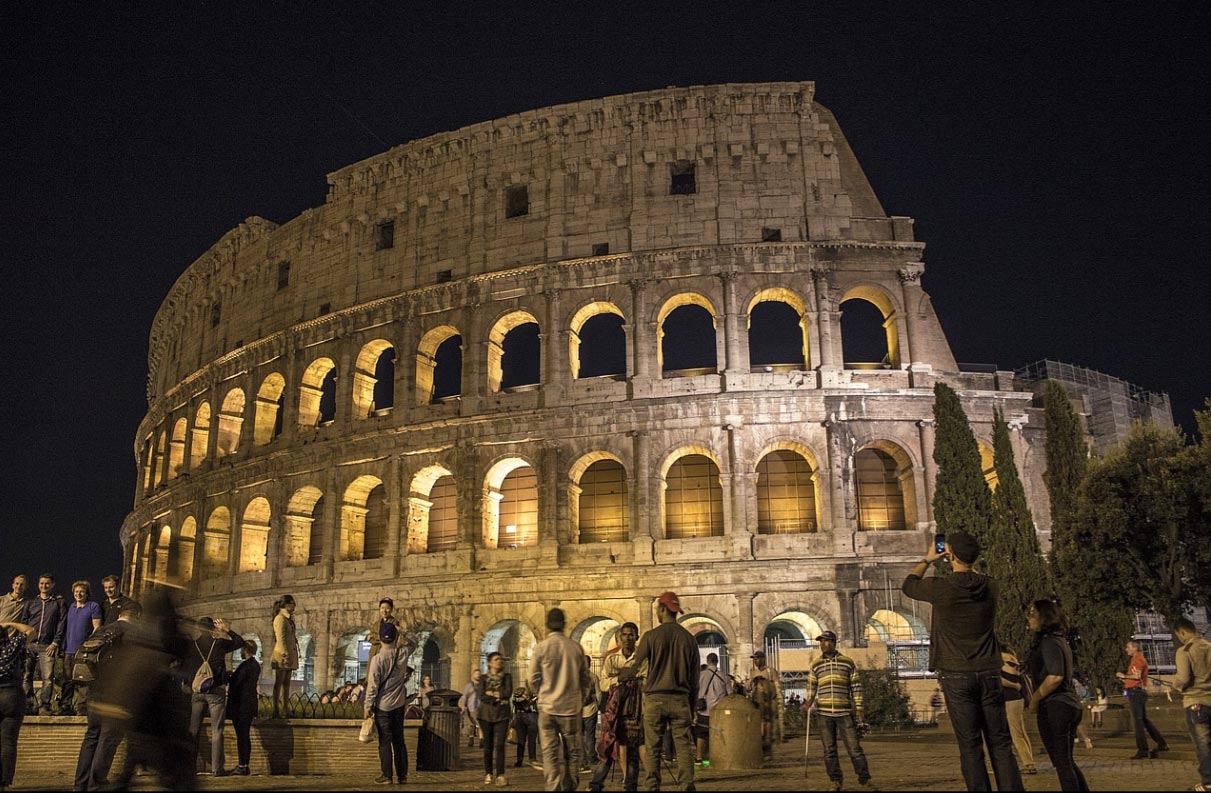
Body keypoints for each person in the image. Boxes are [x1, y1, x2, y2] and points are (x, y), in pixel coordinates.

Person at [901, 533, 1023, 791]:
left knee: (970, 745)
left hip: (955, 673)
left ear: (950, 555)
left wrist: (928, 558)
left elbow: (909, 585)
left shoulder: (941, 588)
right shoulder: (991, 586)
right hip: (989, 671)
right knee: (1000, 743)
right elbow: (973, 576)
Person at [620, 592, 698, 793]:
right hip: (680, 699)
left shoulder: (650, 637)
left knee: (653, 748)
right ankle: (686, 786)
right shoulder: (689, 639)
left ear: (662, 609)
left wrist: (623, 675)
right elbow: (694, 680)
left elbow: (635, 668)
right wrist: (691, 705)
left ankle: (653, 787)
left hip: (655, 699)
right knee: (683, 748)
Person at [72, 602, 140, 791]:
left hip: (94, 691)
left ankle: (80, 784)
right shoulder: (133, 633)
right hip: (116, 694)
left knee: (92, 736)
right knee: (108, 739)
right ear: (137, 615)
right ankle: (96, 784)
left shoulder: (102, 630)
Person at [1024, 599, 1088, 791]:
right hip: (1067, 705)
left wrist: (1035, 699)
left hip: (1056, 706)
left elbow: (1055, 676)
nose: (1029, 618)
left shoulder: (1049, 642)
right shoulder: (1059, 640)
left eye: (1033, 613)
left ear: (1044, 617)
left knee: (1062, 762)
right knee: (1064, 761)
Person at [529, 607, 592, 792]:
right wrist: (581, 697)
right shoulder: (575, 648)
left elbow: (532, 678)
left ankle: (552, 787)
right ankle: (570, 787)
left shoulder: (541, 648)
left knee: (549, 754)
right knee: (572, 754)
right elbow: (585, 678)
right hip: (571, 708)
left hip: (547, 708)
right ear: (564, 625)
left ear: (547, 625)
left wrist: (540, 694)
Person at [805, 630, 873, 791]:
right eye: (821, 642)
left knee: (854, 749)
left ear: (834, 643)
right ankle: (835, 781)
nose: (822, 644)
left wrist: (860, 708)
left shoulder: (847, 662)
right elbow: (811, 686)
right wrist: (809, 701)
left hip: (844, 713)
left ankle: (865, 780)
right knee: (829, 750)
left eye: (826, 641)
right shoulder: (815, 664)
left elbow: (856, 687)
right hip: (824, 713)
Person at [184, 615, 243, 777]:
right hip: (215, 691)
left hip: (197, 691)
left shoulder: (193, 645)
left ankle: (189, 766)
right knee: (217, 731)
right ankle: (217, 769)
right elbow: (240, 642)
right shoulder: (219, 643)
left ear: (198, 629)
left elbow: (187, 667)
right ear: (212, 629)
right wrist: (226, 630)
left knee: (193, 730)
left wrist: (188, 683)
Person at [590, 622, 643, 793]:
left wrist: (630, 678)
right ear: (619, 637)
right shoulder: (611, 659)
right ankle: (596, 784)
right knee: (609, 748)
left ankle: (630, 785)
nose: (628, 638)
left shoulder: (642, 658)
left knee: (632, 750)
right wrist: (620, 679)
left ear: (637, 637)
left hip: (635, 710)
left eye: (631, 635)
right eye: (625, 635)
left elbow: (646, 680)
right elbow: (605, 684)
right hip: (615, 710)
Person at [364, 621, 414, 785]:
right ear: (395, 637)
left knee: (385, 741)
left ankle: (387, 775)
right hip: (399, 704)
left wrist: (367, 706)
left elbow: (372, 686)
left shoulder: (377, 659)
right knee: (399, 740)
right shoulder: (403, 653)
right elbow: (414, 643)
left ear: (380, 638)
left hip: (382, 706)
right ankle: (402, 775)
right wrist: (403, 632)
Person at [1171, 616, 1211, 791]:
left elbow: (1184, 678)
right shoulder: (1209, 647)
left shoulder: (1185, 651)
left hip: (1196, 702)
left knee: (1203, 745)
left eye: (1179, 635)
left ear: (1182, 632)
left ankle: (1208, 783)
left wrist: (1173, 687)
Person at [1118, 638, 1169, 759]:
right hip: (1137, 691)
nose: (1126, 650)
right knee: (1144, 720)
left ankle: (1143, 749)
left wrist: (1124, 676)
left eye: (1128, 647)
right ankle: (1161, 743)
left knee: (1138, 721)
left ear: (1135, 648)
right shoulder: (1136, 659)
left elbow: (1136, 676)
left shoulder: (1137, 659)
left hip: (1136, 692)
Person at [0, 619, 35, 790]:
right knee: (8, 741)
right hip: (12, 694)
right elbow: (30, 630)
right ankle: (5, 783)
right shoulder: (12, 646)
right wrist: (9, 623)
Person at [24, 574, 66, 716]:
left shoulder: (57, 603)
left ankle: (45, 706)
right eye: (42, 583)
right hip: (30, 645)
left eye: (47, 583)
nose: (44, 586)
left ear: (52, 585)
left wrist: (55, 642)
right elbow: (24, 623)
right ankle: (28, 706)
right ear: (38, 584)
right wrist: (24, 642)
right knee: (26, 676)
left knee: (47, 678)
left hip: (47, 645)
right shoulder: (31, 603)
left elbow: (61, 623)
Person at [61, 581, 103, 715]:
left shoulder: (93, 606)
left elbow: (97, 627)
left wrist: (89, 645)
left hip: (84, 651)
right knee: (67, 680)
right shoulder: (71, 607)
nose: (78, 594)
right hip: (69, 649)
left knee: (83, 680)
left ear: (87, 593)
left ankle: (82, 709)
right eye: (76, 592)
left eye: (81, 592)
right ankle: (66, 707)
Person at [477, 650, 514, 786]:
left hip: (502, 715)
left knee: (500, 745)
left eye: (501, 659)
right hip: (485, 715)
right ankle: (488, 772)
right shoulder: (483, 678)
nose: (500, 661)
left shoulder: (507, 677)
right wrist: (497, 696)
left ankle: (500, 774)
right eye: (497, 659)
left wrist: (491, 693)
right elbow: (481, 695)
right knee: (488, 745)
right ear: (490, 663)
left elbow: (508, 693)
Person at [1000, 646, 1035, 775]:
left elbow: (999, 680)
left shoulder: (1001, 660)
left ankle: (1028, 764)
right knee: (1021, 732)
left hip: (1009, 700)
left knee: (1016, 733)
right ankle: (1030, 761)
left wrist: (1014, 685)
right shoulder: (1014, 661)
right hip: (1018, 699)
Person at [227, 639, 260, 777]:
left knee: (242, 736)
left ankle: (242, 766)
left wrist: (229, 675)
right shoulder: (256, 665)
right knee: (244, 736)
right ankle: (244, 764)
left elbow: (237, 682)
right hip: (250, 704)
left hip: (241, 705)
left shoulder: (245, 666)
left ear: (245, 650)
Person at [746, 649, 782, 760]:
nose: (756, 661)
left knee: (768, 728)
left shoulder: (770, 671)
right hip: (757, 703)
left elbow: (777, 687)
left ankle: (767, 751)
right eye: (754, 659)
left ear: (762, 659)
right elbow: (748, 688)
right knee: (758, 727)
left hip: (768, 703)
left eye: (757, 658)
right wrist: (751, 682)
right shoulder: (752, 672)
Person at [695, 652, 728, 764]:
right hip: (718, 710)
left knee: (701, 734)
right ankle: (717, 757)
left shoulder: (701, 675)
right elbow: (730, 693)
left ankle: (699, 758)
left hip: (704, 710)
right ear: (717, 661)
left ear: (708, 661)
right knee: (717, 734)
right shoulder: (723, 676)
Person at [270, 594, 298, 718]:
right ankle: (276, 709)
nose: (294, 606)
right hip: (281, 654)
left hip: (289, 653)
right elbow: (280, 638)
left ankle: (285, 708)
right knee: (279, 682)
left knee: (286, 683)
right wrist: (285, 654)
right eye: (292, 603)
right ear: (286, 605)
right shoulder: (280, 618)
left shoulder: (288, 619)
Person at [511, 682, 539, 769]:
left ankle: (519, 760)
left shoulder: (517, 692)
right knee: (531, 740)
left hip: (519, 716)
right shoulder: (536, 693)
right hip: (531, 715)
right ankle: (532, 759)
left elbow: (513, 706)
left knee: (521, 740)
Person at [582, 651, 600, 772]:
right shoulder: (593, 677)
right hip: (591, 709)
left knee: (578, 736)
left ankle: (582, 759)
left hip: (577, 710)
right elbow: (599, 693)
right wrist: (598, 705)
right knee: (590, 735)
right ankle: (592, 757)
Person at [462, 669, 483, 748]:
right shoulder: (469, 686)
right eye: (476, 674)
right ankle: (471, 738)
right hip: (471, 707)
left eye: (479, 674)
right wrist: (463, 706)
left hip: (480, 707)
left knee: (481, 724)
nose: (478, 675)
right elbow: (465, 696)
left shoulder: (482, 685)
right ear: (473, 675)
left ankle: (481, 740)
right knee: (471, 725)